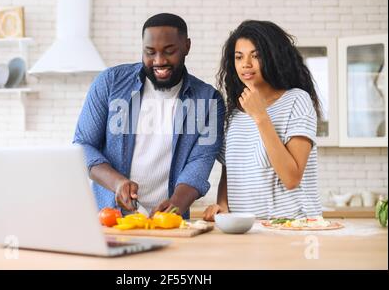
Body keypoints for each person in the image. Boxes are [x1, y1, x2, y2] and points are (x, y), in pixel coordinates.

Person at [74, 13, 225, 219]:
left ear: (187, 46)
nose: (159, 61)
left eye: (169, 51)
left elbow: (201, 160)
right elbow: (83, 145)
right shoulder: (110, 83)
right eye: (150, 52)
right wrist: (117, 183)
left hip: (170, 221)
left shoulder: (209, 100)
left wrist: (176, 204)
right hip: (109, 218)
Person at [203, 20, 322, 221]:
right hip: (248, 230)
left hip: (294, 227)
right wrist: (223, 205)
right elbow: (229, 171)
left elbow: (291, 178)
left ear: (273, 57)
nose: (246, 64)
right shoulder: (234, 113)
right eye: (239, 57)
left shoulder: (297, 101)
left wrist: (260, 117)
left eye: (256, 56)